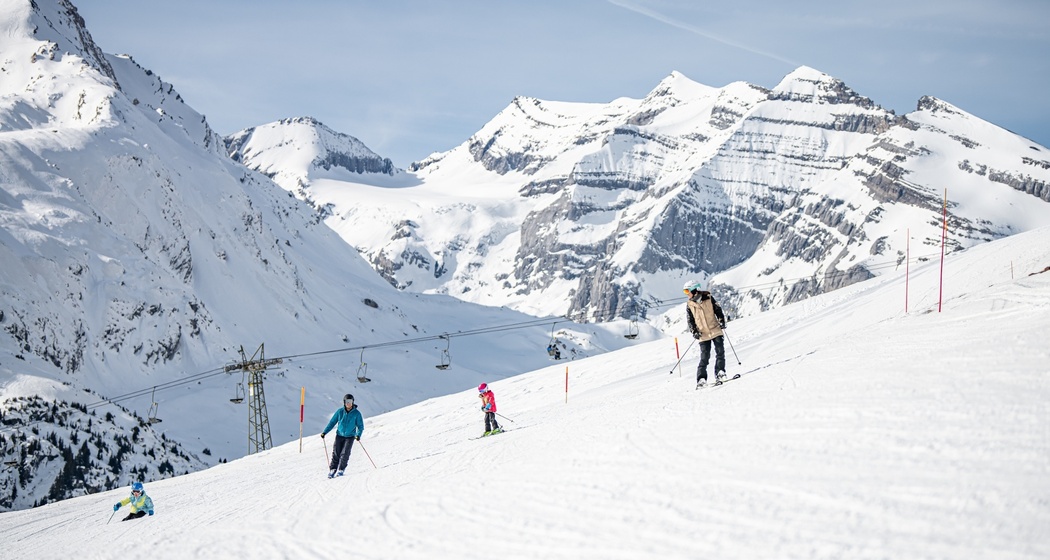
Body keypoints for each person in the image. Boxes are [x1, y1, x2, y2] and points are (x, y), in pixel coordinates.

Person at [684, 280, 728, 388]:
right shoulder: (689, 305)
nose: (686, 294)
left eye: (687, 291)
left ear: (694, 290)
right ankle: (701, 379)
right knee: (704, 357)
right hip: (702, 333)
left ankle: (720, 372)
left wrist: (721, 320)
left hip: (715, 329)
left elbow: (718, 310)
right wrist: (694, 331)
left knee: (720, 352)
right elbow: (690, 321)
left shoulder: (709, 298)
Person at [320, 393, 364, 478]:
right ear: (344, 402)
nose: (348, 403)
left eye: (350, 401)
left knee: (345, 453)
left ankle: (341, 469)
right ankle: (333, 469)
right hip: (339, 435)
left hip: (350, 436)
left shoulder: (357, 413)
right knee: (336, 452)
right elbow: (332, 422)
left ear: (353, 402)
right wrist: (325, 432)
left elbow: (360, 426)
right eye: (347, 401)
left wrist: (358, 435)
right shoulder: (340, 412)